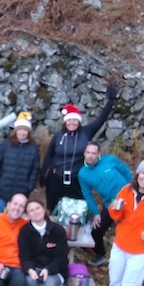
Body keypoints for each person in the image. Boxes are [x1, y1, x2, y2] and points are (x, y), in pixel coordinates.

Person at [40, 82, 120, 212]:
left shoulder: (86, 132)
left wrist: (110, 102)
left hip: (76, 179)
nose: (72, 123)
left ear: (79, 121)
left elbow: (101, 119)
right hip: (56, 178)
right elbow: (50, 153)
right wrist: (43, 172)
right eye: (69, 120)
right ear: (65, 121)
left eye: (75, 120)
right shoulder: (58, 136)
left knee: (76, 210)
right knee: (54, 210)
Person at [18, 198, 69, 286]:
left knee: (46, 284)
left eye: (37, 208)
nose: (35, 212)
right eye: (31, 211)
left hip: (56, 271)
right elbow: (25, 256)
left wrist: (48, 270)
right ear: (27, 215)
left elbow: (61, 257)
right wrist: (30, 270)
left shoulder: (57, 230)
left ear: (43, 209)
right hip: (35, 268)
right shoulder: (25, 231)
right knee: (31, 281)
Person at [77, 140, 132, 267]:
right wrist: (96, 213)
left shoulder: (110, 160)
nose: (90, 156)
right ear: (84, 153)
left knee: (136, 227)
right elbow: (88, 194)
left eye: (93, 153)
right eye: (88, 153)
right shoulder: (83, 173)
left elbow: (125, 171)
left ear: (99, 154)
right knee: (96, 231)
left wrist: (131, 189)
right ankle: (100, 255)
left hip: (128, 199)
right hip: (110, 205)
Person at [0, 112, 41, 212]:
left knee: (17, 218)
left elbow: (35, 169)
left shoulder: (33, 148)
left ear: (28, 132)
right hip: (3, 189)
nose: (22, 133)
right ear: (15, 131)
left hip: (22, 192)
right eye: (20, 130)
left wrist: (29, 186)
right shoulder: (6, 145)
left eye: (25, 130)